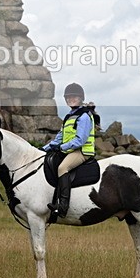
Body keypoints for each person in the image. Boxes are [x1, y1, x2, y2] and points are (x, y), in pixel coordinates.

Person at [42, 83, 96, 218]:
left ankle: (63, 207)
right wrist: (43, 150)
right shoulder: (69, 117)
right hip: (70, 150)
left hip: (82, 151)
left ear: (81, 98)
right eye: (68, 97)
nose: (71, 99)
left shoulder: (84, 116)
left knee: (62, 168)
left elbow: (80, 140)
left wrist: (61, 148)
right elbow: (59, 138)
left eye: (74, 96)